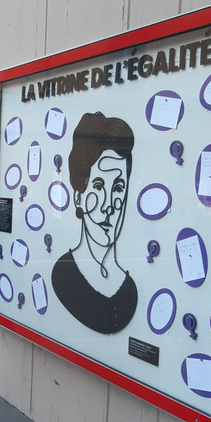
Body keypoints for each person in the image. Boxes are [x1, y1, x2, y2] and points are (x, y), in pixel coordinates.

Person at [51, 112, 137, 335]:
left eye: (118, 188)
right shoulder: (64, 275)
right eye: (98, 186)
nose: (109, 206)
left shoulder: (129, 291)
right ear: (78, 196)